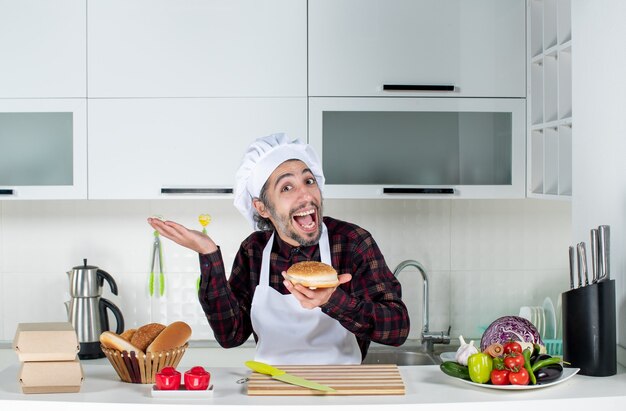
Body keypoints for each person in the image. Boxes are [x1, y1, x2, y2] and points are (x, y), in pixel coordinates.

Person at [148, 133, 409, 364]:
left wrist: (335, 300)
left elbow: (398, 329)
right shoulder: (254, 251)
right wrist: (209, 255)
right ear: (262, 207)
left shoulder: (352, 242)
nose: (306, 196)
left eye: (309, 181)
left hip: (341, 391)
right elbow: (231, 336)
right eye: (287, 187)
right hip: (271, 390)